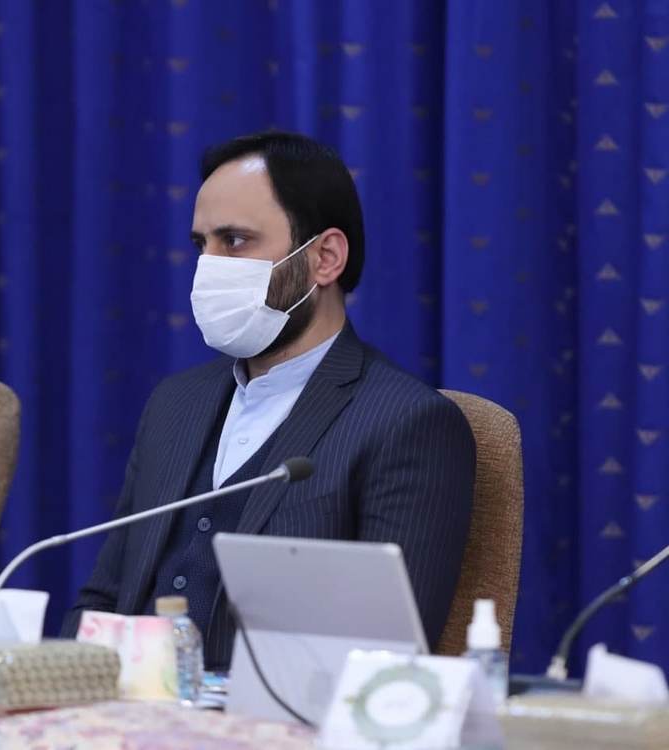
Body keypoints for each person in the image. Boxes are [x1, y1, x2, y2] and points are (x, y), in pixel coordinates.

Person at [61, 131, 475, 671]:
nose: (209, 268)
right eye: (201, 245)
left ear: (325, 258)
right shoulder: (175, 404)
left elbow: (385, 656)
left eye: (235, 241)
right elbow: (104, 600)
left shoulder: (408, 423)